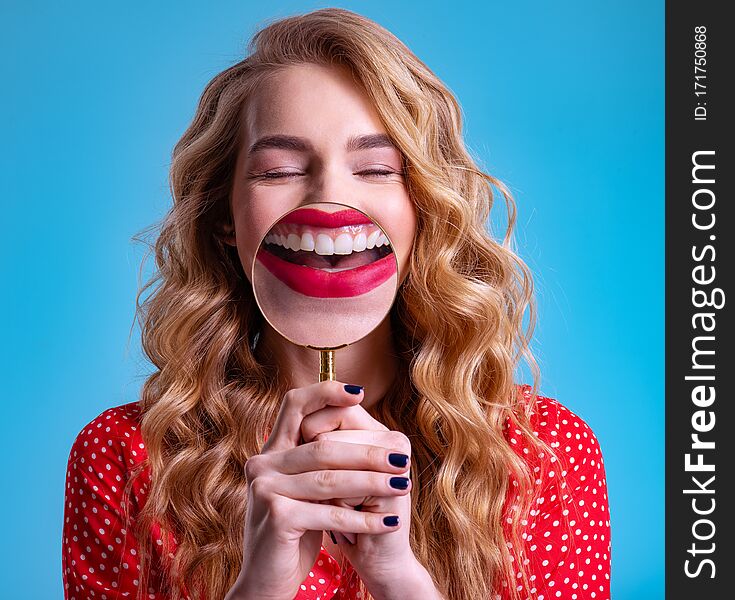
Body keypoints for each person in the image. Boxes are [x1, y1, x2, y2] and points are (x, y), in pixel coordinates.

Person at [61, 8, 611, 600]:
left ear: (421, 208)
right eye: (279, 170)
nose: (329, 198)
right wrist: (260, 585)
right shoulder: (128, 455)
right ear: (225, 217)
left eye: (376, 168)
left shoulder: (540, 453)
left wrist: (399, 580)